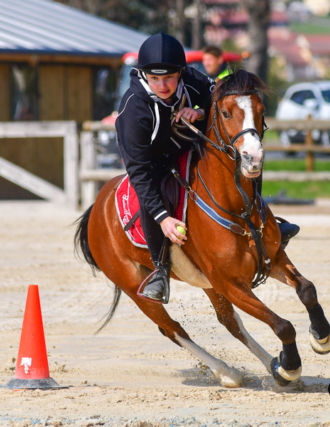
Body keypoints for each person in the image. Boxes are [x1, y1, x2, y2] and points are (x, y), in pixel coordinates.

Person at [115, 33, 214, 304]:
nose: (162, 85)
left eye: (169, 77)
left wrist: (201, 112)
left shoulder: (192, 79)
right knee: (153, 190)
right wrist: (164, 219)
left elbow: (219, 94)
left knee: (243, 155)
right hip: (152, 162)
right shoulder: (134, 111)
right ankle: (160, 271)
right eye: (155, 78)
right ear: (144, 74)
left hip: (189, 147)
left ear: (181, 72)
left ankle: (263, 221)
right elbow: (139, 172)